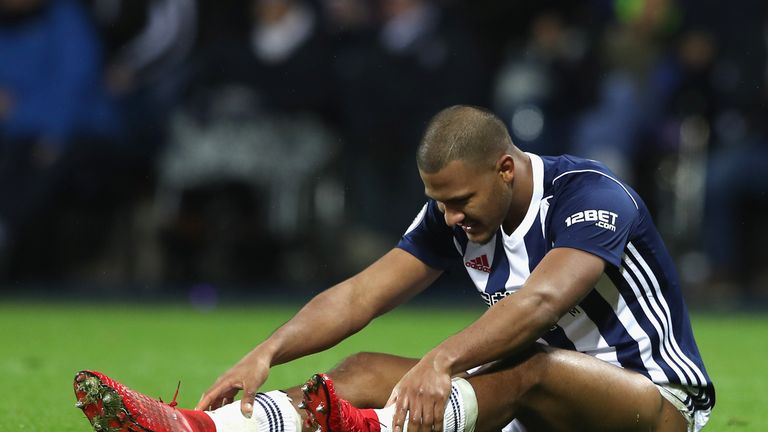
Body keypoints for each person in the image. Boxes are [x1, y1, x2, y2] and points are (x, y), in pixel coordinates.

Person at [73, 105, 714, 432]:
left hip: (654, 406)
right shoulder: (457, 212)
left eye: (459, 201)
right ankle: (202, 429)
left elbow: (542, 304)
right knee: (360, 370)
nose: (450, 217)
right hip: (539, 411)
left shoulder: (590, 196)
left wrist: (441, 361)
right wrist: (268, 350)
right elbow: (359, 296)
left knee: (530, 363)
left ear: (506, 168)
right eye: (439, 202)